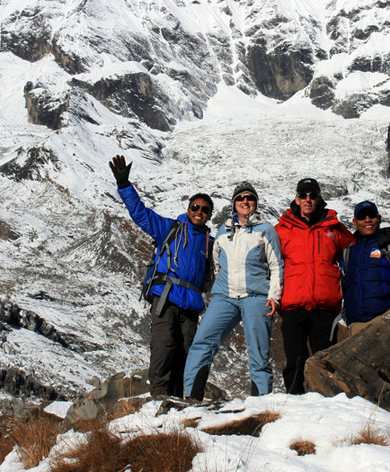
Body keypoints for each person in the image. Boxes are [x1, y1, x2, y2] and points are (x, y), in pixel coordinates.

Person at [109, 154, 214, 398]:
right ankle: (159, 396)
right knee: (163, 347)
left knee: (186, 353)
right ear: (188, 209)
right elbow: (141, 214)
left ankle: (177, 399)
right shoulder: (170, 228)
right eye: (195, 207)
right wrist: (124, 185)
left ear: (209, 215)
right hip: (166, 298)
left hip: (191, 306)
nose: (199, 211)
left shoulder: (210, 243)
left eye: (204, 209)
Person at [182, 182, 283, 400]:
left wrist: (274, 296)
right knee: (202, 342)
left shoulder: (266, 230)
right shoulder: (223, 230)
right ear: (234, 203)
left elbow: (276, 265)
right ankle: (191, 396)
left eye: (249, 198)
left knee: (258, 352)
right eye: (240, 198)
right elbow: (216, 262)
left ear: (255, 203)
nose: (245, 201)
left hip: (256, 297)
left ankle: (261, 403)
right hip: (224, 298)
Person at [275, 178, 354, 394]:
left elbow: (357, 250)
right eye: (303, 195)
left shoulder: (334, 228)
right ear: (297, 199)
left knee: (325, 361)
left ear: (319, 198)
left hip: (325, 306)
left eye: (312, 195)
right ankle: (293, 403)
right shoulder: (282, 229)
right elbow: (265, 260)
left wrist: (381, 239)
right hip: (293, 304)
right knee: (295, 361)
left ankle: (327, 406)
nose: (307, 199)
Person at [342, 200, 390, 335]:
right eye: (362, 217)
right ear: (355, 222)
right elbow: (345, 285)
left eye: (371, 215)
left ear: (378, 219)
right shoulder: (349, 252)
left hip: (388, 313)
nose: (367, 220)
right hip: (358, 322)